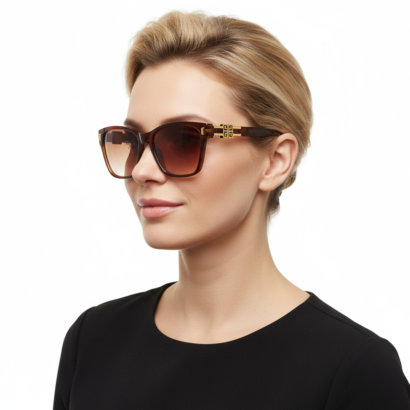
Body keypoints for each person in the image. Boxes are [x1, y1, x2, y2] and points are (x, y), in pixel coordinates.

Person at [53, 10, 410, 409]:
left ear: (275, 161)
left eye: (184, 139)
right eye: (132, 140)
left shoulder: (354, 370)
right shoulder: (93, 340)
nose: (141, 170)